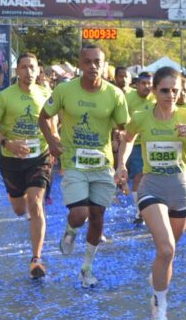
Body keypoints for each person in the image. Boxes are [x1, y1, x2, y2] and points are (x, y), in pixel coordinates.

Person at [115, 67, 186, 320]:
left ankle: (157, 285)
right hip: (151, 187)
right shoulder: (141, 117)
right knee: (167, 248)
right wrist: (121, 165)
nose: (170, 95)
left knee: (166, 254)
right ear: (154, 91)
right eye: (164, 90)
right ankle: (160, 308)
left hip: (180, 190)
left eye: (175, 90)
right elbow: (127, 139)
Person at [40, 44, 129, 289]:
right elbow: (43, 116)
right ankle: (70, 229)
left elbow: (124, 129)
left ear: (104, 65)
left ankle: (86, 268)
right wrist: (52, 141)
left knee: (98, 217)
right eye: (87, 62)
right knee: (81, 213)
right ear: (79, 64)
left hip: (102, 165)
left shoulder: (115, 95)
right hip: (74, 162)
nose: (92, 66)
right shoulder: (64, 90)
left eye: (97, 62)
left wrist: (121, 156)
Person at [0, 53, 53, 280]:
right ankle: (20, 201)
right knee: (20, 209)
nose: (28, 72)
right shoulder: (5, 96)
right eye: (23, 67)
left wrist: (55, 146)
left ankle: (36, 259)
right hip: (11, 159)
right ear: (17, 71)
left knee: (36, 204)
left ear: (38, 70)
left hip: (39, 157)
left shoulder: (46, 94)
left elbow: (52, 125)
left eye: (32, 67)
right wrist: (7, 143)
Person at [125, 71, 155, 222]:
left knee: (152, 178)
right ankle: (139, 212)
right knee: (138, 176)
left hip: (155, 143)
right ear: (136, 84)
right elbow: (120, 120)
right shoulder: (128, 98)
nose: (147, 87)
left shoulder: (157, 98)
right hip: (135, 144)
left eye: (149, 83)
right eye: (143, 83)